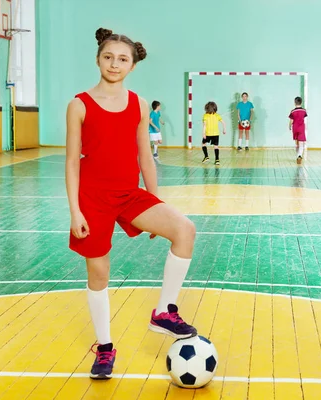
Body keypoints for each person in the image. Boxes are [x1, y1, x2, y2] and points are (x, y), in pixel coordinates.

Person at [65, 27, 197, 380]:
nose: (114, 63)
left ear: (132, 65)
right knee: (99, 273)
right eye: (108, 57)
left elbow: (145, 156)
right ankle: (105, 348)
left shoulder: (138, 103)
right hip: (92, 199)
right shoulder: (79, 104)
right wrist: (75, 210)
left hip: (129, 194)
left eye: (123, 59)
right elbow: (72, 162)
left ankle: (165, 311)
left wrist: (154, 201)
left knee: (184, 229)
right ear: (98, 59)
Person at [201, 101, 226, 165]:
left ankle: (206, 156)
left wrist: (203, 133)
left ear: (207, 108)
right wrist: (224, 129)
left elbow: (204, 125)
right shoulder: (217, 115)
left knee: (203, 144)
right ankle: (217, 160)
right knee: (216, 146)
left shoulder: (205, 116)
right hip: (216, 134)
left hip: (208, 134)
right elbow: (223, 123)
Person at [289, 96, 308, 164]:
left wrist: (289, 126)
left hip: (295, 128)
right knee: (301, 144)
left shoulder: (292, 111)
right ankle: (299, 156)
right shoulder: (304, 111)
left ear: (295, 103)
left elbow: (291, 120)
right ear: (301, 102)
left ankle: (297, 155)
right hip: (301, 128)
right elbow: (304, 117)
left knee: (296, 143)